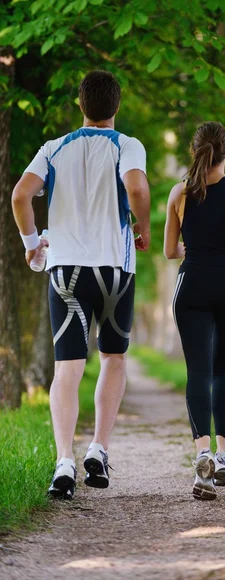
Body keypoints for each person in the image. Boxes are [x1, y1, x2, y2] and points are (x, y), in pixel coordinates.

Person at [11, 70, 150, 500]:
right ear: (118, 105)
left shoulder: (54, 148)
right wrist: (141, 228)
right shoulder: (127, 145)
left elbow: (20, 195)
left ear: (79, 103)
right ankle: (98, 450)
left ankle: (64, 463)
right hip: (114, 269)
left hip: (66, 269)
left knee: (68, 369)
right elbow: (137, 186)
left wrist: (33, 245)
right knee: (113, 359)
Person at [163, 121, 225, 500]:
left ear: (194, 153)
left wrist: (196, 248)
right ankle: (224, 456)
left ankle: (201, 454)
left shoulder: (179, 193)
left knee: (197, 371)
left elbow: (170, 251)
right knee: (223, 368)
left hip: (191, 285)